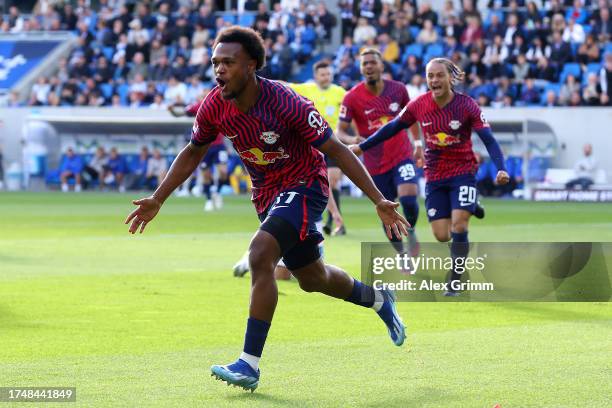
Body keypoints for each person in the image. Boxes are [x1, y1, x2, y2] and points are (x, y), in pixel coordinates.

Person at [126, 26, 409, 392]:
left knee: (260, 254)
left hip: (306, 185)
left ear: (252, 65)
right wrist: (158, 197)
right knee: (313, 279)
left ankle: (248, 364)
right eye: (215, 63)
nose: (219, 70)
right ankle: (379, 299)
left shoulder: (286, 102)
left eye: (228, 62)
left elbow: (336, 150)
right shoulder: (215, 104)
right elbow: (194, 151)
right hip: (266, 195)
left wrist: (378, 200)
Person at [350, 58, 509, 296]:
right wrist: (363, 147)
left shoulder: (467, 106)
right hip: (434, 175)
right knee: (442, 234)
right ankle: (471, 204)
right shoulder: (419, 105)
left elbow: (489, 139)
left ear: (450, 78)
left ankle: (455, 280)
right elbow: (393, 127)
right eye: (430, 76)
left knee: (459, 224)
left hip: (463, 172)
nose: (434, 80)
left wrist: (500, 167)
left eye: (439, 75)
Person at [337, 48, 420, 259]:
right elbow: (340, 131)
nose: (369, 67)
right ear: (361, 68)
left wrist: (418, 143)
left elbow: (411, 117)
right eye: (364, 64)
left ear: (382, 65)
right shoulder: (352, 97)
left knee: (410, 199)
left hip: (402, 154)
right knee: (386, 211)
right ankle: (401, 253)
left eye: (372, 62)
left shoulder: (399, 90)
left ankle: (410, 231)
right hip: (374, 164)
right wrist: (351, 139)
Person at [287, 60, 348, 236]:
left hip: (334, 143)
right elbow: (284, 86)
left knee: (333, 179)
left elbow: (351, 109)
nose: (326, 77)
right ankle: (332, 218)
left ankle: (333, 218)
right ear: (316, 76)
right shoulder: (307, 89)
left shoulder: (340, 92)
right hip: (313, 144)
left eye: (328, 74)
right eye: (322, 74)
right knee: (324, 182)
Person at [169, 100, 229, 210]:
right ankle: (209, 200)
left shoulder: (222, 103)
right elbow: (179, 114)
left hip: (219, 145)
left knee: (223, 172)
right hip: (205, 145)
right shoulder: (198, 105)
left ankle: (217, 192)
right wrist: (172, 111)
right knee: (206, 175)